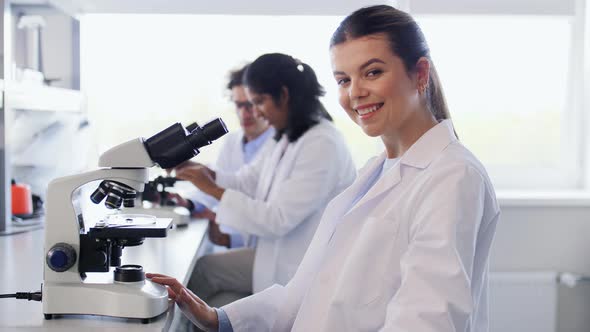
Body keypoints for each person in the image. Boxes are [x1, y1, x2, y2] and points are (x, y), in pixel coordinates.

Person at [148, 5, 500, 331]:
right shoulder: (377, 171)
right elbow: (312, 288)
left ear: (419, 72)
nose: (355, 92)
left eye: (372, 72)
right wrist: (216, 318)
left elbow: (425, 319)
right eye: (344, 80)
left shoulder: (452, 177)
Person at [170, 53, 357, 309]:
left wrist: (212, 189)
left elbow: (277, 219)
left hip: (300, 269)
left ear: (284, 95)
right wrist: (208, 174)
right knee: (212, 295)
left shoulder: (322, 143)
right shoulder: (285, 136)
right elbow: (249, 180)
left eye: (258, 102)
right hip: (275, 258)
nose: (255, 112)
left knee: (204, 282)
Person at [176, 64, 275, 249]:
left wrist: (231, 238)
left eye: (251, 104)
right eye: (239, 105)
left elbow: (270, 213)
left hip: (257, 246)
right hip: (226, 240)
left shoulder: (279, 144)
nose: (245, 113)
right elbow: (215, 188)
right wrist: (188, 203)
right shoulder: (232, 142)